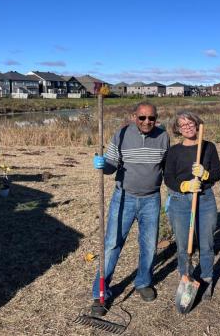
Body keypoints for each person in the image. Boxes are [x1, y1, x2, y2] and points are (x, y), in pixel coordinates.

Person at [91, 101, 170, 315]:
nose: (147, 122)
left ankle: (143, 282)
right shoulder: (122, 134)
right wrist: (103, 164)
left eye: (151, 118)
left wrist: (173, 192)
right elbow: (110, 166)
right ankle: (100, 293)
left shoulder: (163, 137)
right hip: (123, 197)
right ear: (134, 116)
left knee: (149, 245)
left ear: (156, 118)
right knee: (111, 245)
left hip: (151, 199)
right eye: (142, 117)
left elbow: (166, 168)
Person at [163, 111, 220, 299]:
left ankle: (206, 279)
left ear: (197, 125)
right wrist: (184, 185)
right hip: (180, 201)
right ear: (178, 129)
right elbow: (168, 177)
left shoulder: (208, 147)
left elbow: (217, 172)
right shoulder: (173, 151)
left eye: (191, 123)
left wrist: (205, 175)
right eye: (183, 125)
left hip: (204, 199)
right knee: (182, 244)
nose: (187, 127)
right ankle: (185, 277)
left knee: (207, 243)